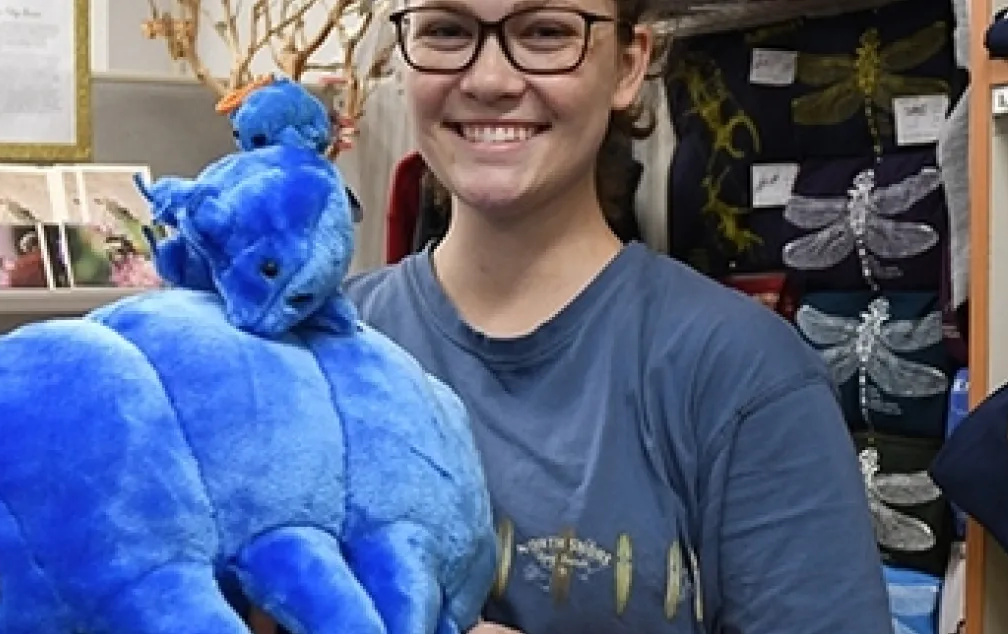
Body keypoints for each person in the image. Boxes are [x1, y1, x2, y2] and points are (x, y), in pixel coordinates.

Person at [343, 1, 895, 633]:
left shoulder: (745, 376)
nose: (489, 79)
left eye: (546, 32)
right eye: (446, 32)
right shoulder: (322, 348)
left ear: (628, 67)